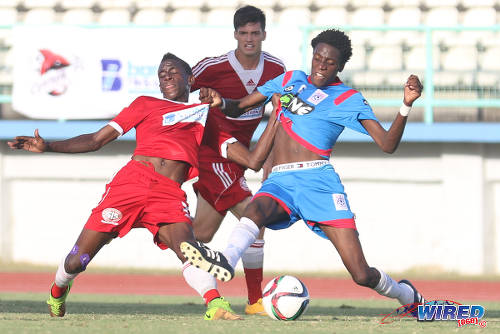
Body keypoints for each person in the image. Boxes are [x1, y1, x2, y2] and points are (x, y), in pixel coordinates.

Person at [7, 53, 279, 321]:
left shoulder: (204, 116)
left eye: (173, 72)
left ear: (190, 79)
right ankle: (58, 289)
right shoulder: (145, 104)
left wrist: (276, 114)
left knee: (188, 248)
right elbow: (96, 140)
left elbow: (253, 161)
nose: (167, 76)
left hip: (169, 193)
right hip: (131, 184)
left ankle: (215, 304)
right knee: (76, 262)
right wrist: (49, 146)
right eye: (162, 74)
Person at [181, 29, 427, 315]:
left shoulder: (348, 98)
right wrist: (220, 101)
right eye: (318, 57)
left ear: (340, 66)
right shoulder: (289, 80)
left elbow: (387, 144)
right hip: (282, 180)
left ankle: (405, 293)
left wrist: (406, 105)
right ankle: (225, 259)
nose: (321, 64)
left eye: (330, 61)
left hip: (318, 183)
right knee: (254, 212)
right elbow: (240, 107)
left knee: (361, 274)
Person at [189, 5, 286, 315]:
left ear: (264, 34)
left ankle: (171, 236)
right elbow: (176, 89)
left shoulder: (275, 69)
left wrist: (270, 157)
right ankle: (256, 301)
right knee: (255, 217)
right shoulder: (211, 67)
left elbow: (278, 114)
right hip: (213, 152)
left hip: (240, 156)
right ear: (235, 34)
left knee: (198, 237)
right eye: (243, 33)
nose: (249, 39)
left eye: (254, 33)